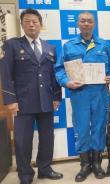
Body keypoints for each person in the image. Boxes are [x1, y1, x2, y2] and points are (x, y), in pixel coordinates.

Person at [0, 9, 63, 184]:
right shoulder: (12, 45)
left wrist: (57, 97)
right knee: (22, 141)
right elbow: (5, 75)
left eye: (35, 21)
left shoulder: (50, 48)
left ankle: (45, 168)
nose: (31, 24)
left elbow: (54, 76)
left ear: (41, 25)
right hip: (22, 103)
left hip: (46, 102)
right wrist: (10, 100)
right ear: (22, 24)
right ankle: (25, 175)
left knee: (47, 138)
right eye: (27, 21)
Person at [55, 11, 110, 182]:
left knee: (98, 127)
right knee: (81, 129)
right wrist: (67, 82)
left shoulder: (103, 44)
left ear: (94, 24)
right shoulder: (69, 46)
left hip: (100, 93)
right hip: (79, 94)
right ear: (77, 24)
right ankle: (84, 165)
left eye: (89, 21)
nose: (86, 24)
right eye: (83, 21)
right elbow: (59, 69)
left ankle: (96, 163)